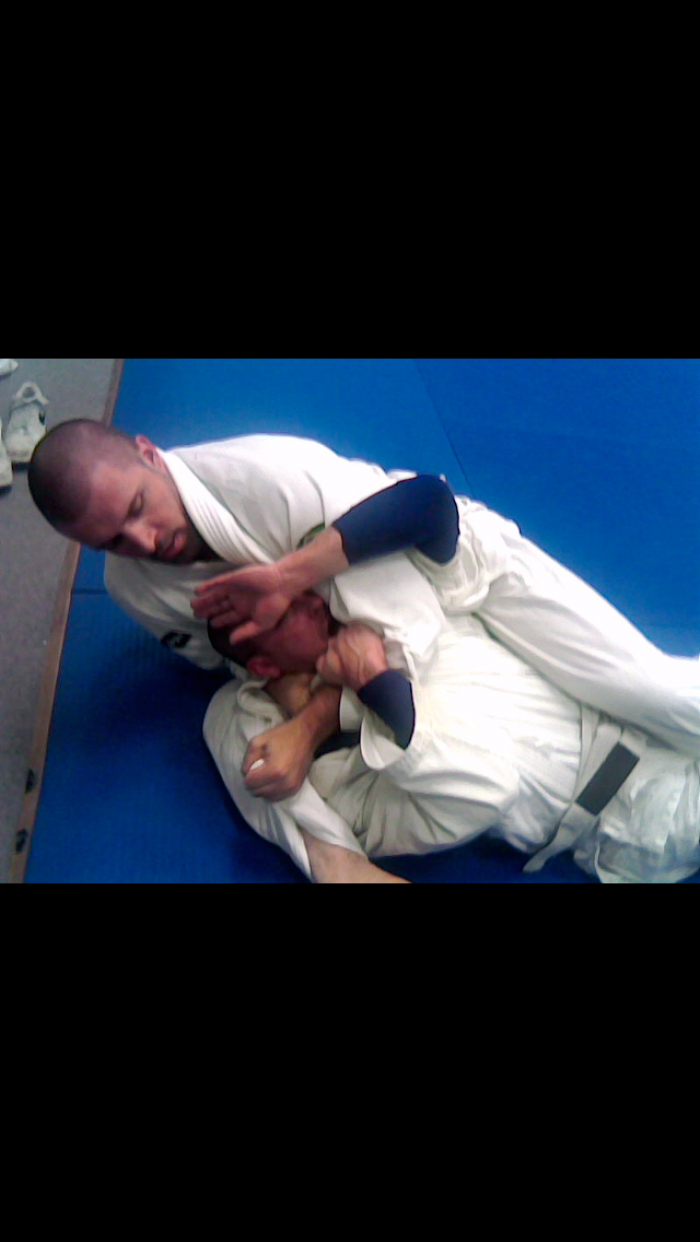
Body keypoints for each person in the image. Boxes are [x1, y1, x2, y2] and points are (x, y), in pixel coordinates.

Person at [28, 420, 700, 766]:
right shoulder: (132, 590)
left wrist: (289, 577)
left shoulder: (266, 476)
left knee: (644, 693)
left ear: (149, 453)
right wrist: (302, 701)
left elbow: (429, 506)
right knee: (242, 746)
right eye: (112, 541)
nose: (146, 542)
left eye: (138, 507)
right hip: (372, 656)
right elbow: (241, 666)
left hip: (463, 574)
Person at [200, 589, 700, 885]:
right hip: (646, 812)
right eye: (287, 614)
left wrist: (329, 706)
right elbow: (487, 790)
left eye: (300, 591)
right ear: (263, 664)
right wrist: (364, 692)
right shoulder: (341, 781)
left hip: (658, 716)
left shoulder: (384, 610)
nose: (315, 603)